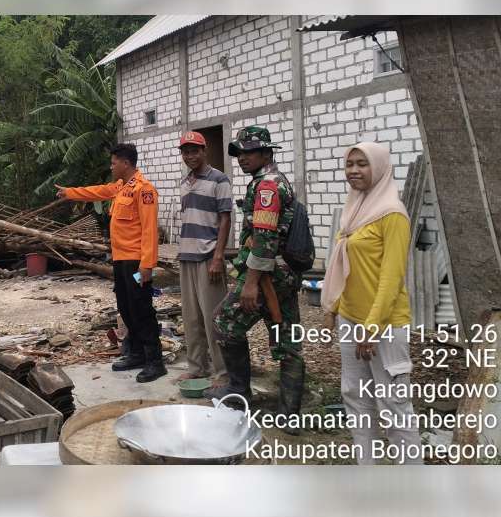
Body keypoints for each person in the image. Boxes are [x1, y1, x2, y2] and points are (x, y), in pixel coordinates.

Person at [322, 142, 423, 464]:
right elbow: (342, 267)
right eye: (349, 163)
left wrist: (371, 328)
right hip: (351, 320)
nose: (353, 170)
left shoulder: (393, 215)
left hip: (385, 327)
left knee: (394, 405)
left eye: (362, 164)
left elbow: (391, 280)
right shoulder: (355, 209)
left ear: (378, 167)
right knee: (356, 398)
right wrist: (334, 308)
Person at [207, 126, 305, 423]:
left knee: (224, 323)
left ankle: (240, 393)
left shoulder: (266, 186)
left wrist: (250, 283)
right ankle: (290, 415)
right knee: (287, 340)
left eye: (249, 152)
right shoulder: (275, 180)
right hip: (284, 273)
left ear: (266, 152)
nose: (242, 158)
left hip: (267, 275)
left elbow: (264, 238)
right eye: (239, 152)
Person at [56, 144, 167, 383]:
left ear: (125, 164)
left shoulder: (144, 190)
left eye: (113, 162)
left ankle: (155, 362)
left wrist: (147, 265)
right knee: (126, 307)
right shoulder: (120, 188)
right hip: (120, 261)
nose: (111, 166)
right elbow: (97, 192)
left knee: (142, 309)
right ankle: (136, 353)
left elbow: (149, 231)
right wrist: (70, 193)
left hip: (137, 263)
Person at [176, 131, 231, 386]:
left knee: (213, 318)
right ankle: (197, 366)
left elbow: (225, 219)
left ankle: (223, 370)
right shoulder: (184, 182)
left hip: (208, 257)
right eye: (186, 151)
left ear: (204, 150)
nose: (190, 155)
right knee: (191, 317)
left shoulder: (219, 179)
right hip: (186, 256)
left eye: (194, 150)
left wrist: (218, 256)